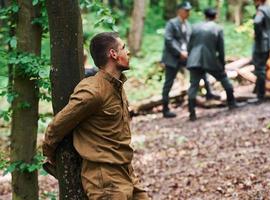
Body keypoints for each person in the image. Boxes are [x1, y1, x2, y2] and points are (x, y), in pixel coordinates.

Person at [42, 32, 149, 200]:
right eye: (123, 48)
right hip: (105, 179)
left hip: (126, 171)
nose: (127, 52)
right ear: (113, 54)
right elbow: (57, 126)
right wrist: (50, 153)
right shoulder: (92, 91)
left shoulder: (117, 85)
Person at [161, 1, 219, 118]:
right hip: (172, 58)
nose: (188, 13)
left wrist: (190, 52)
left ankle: (209, 92)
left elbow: (190, 41)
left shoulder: (188, 25)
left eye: (189, 11)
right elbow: (168, 40)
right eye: (186, 10)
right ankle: (165, 109)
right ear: (179, 11)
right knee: (168, 83)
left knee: (200, 69)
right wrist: (179, 52)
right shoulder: (171, 23)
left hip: (185, 56)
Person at [187, 8, 241, 121]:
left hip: (194, 60)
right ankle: (232, 103)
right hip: (210, 59)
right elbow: (221, 49)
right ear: (215, 16)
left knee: (193, 86)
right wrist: (222, 64)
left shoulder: (195, 27)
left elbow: (189, 45)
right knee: (224, 79)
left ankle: (192, 113)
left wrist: (190, 58)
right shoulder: (217, 29)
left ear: (204, 16)